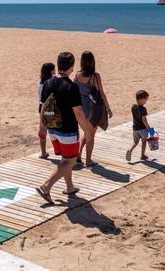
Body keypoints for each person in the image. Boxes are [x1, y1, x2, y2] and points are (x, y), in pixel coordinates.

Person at [36, 52, 93, 204]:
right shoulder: (71, 86)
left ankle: (69, 187)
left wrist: (42, 127)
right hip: (67, 130)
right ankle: (46, 186)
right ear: (72, 67)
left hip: (52, 129)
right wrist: (87, 132)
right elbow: (79, 113)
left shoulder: (48, 83)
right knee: (70, 161)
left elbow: (43, 107)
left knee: (65, 158)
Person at [74, 51, 113, 167]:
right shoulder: (95, 76)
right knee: (91, 135)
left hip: (81, 108)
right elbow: (102, 94)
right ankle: (88, 160)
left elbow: (73, 89)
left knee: (86, 133)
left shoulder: (77, 74)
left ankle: (78, 154)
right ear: (92, 62)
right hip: (93, 109)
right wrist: (108, 108)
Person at [126, 90, 151, 161]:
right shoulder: (143, 109)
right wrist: (149, 128)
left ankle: (130, 150)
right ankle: (142, 155)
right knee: (144, 141)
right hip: (143, 129)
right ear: (141, 99)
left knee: (135, 142)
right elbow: (144, 120)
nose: (146, 101)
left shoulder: (133, 106)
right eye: (146, 99)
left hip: (135, 128)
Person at [38, 63, 56, 159]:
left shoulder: (40, 83)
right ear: (51, 71)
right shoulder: (51, 83)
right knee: (55, 128)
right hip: (50, 107)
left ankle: (43, 152)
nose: (55, 71)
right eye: (54, 69)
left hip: (41, 107)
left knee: (42, 129)